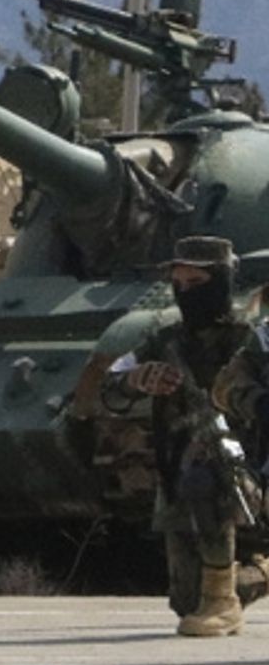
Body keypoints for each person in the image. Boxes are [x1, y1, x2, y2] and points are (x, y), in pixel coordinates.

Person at [108, 236, 261, 636]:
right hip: (180, 465)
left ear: (221, 281)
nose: (185, 293)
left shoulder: (251, 335)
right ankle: (247, 575)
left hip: (254, 466)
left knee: (207, 469)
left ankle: (222, 601)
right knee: (185, 602)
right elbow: (110, 385)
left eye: (196, 283)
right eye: (178, 284)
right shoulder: (164, 339)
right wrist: (135, 381)